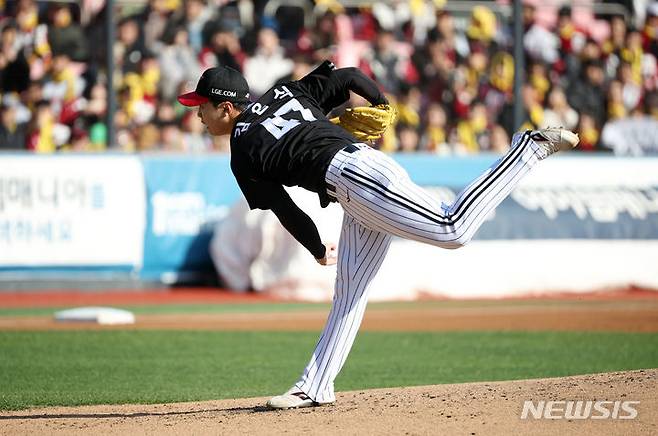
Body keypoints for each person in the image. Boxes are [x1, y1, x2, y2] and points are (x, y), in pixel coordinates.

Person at [177, 60, 579, 409]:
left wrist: (317, 247)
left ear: (226, 108)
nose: (199, 116)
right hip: (360, 175)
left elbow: (285, 208)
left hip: (355, 179)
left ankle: (527, 148)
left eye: (202, 108)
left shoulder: (242, 149)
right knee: (350, 290)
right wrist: (382, 104)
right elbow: (349, 75)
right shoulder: (285, 91)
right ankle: (315, 386)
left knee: (452, 229)